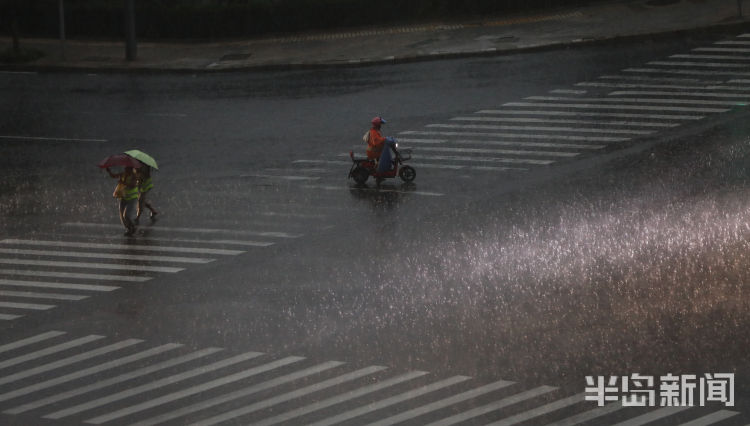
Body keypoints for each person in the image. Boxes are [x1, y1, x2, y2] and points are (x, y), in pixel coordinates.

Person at [107, 166, 139, 236]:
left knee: (126, 215)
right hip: (124, 197)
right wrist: (109, 171)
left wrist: (123, 182)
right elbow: (114, 176)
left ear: (131, 169)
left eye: (127, 168)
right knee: (122, 216)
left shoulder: (134, 176)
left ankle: (133, 227)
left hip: (132, 198)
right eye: (125, 168)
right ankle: (129, 229)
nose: (125, 169)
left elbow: (133, 185)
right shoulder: (123, 174)